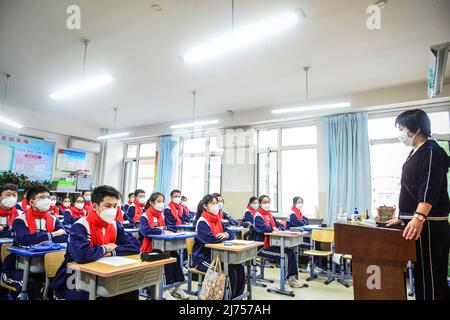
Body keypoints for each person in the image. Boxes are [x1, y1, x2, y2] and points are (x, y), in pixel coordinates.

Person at [386, 109, 450, 300]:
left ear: (417, 128)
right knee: (421, 276)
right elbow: (411, 189)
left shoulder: (431, 151)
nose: (401, 133)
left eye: (402, 128)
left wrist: (418, 217)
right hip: (416, 222)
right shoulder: (415, 152)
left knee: (431, 277)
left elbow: (428, 187)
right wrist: (403, 216)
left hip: (429, 224)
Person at [52, 185, 140, 300]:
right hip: (74, 278)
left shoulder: (115, 225)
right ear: (94, 206)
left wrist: (111, 252)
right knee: (93, 295)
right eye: (108, 206)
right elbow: (81, 255)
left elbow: (135, 246)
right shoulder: (80, 226)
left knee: (130, 290)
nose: (113, 210)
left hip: (105, 275)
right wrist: (105, 248)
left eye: (115, 206)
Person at [1, 185, 68, 299]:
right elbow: (26, 240)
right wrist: (52, 235)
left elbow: (64, 238)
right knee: (31, 284)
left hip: (43, 267)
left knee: (58, 284)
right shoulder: (21, 220)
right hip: (16, 268)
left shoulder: (53, 220)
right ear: (32, 202)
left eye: (48, 197)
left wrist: (39, 238)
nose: (46, 200)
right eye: (42, 197)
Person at [193, 194, 245, 299]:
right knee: (229, 270)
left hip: (218, 257)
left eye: (216, 203)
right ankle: (228, 298)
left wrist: (226, 234)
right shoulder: (202, 222)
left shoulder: (217, 219)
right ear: (205, 206)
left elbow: (230, 233)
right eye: (212, 203)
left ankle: (237, 297)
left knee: (239, 267)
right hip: (203, 259)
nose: (216, 205)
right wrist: (225, 236)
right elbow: (211, 240)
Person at [140, 192, 189, 300]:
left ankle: (176, 287)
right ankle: (165, 290)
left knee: (175, 257)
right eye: (158, 201)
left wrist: (164, 229)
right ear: (151, 203)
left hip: (163, 245)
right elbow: (145, 231)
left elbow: (171, 227)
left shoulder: (162, 215)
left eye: (162, 201)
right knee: (166, 258)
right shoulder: (145, 216)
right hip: (150, 248)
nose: (161, 204)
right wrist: (162, 229)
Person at [254, 195, 306, 290]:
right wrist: (272, 229)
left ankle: (292, 278)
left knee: (291, 253)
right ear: (260, 204)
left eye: (268, 202)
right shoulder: (258, 216)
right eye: (264, 202)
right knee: (285, 255)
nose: (267, 204)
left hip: (271, 244)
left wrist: (278, 228)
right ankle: (284, 283)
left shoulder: (269, 214)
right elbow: (262, 229)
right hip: (262, 247)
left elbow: (280, 225)